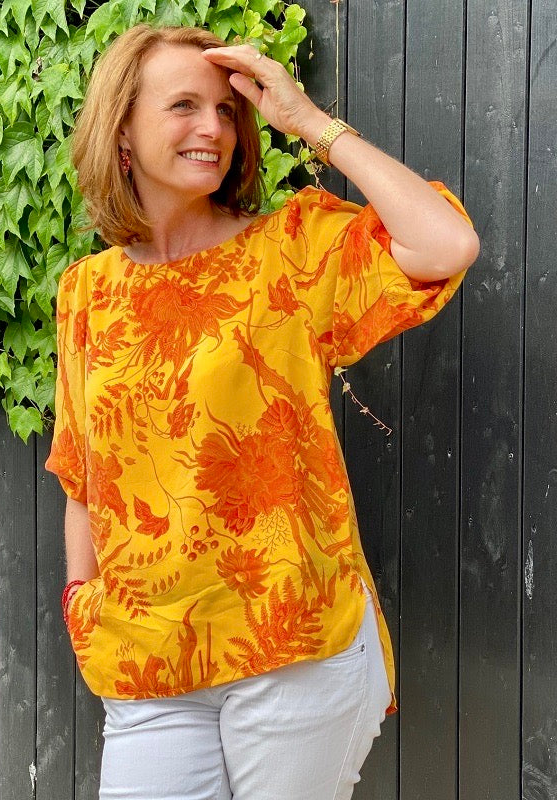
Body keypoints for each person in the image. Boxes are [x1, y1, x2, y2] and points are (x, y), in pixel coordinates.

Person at [45, 22, 479, 800]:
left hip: (293, 649)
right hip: (147, 661)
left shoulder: (289, 252)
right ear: (121, 129)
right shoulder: (87, 290)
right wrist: (83, 603)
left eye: (225, 110)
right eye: (184, 105)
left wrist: (309, 122)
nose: (213, 128)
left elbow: (445, 245)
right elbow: (82, 473)